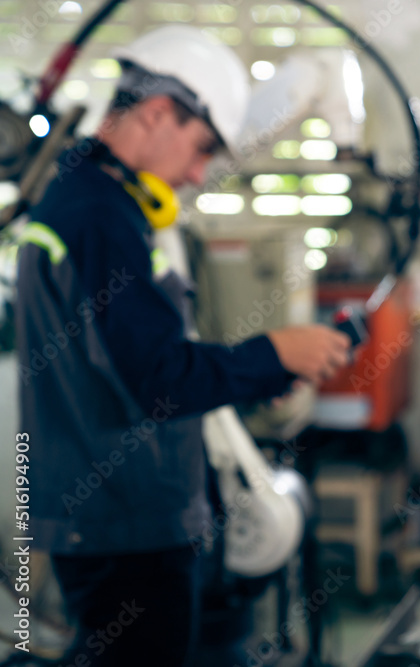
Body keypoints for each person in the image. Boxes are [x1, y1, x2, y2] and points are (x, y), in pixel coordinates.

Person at [15, 26, 350, 666]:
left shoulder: (89, 199)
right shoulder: (99, 216)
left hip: (114, 521)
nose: (198, 173)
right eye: (201, 149)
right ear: (157, 113)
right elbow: (159, 377)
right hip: (123, 527)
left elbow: (135, 359)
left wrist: (259, 374)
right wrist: (274, 354)